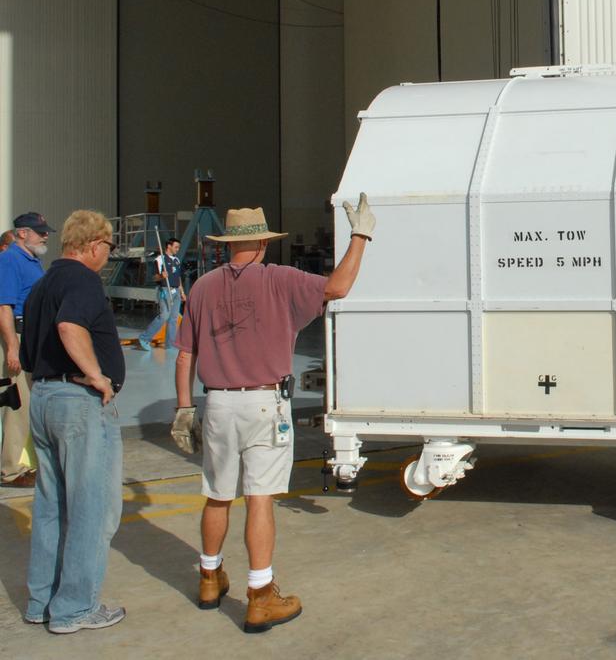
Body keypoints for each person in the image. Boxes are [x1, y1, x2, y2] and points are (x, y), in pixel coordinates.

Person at [171, 197, 373, 634]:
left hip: (217, 403)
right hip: (264, 402)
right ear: (263, 243)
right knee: (259, 497)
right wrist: (360, 236)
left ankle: (209, 578)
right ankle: (260, 595)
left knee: (217, 494)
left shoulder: (202, 287)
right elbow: (338, 287)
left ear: (227, 244)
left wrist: (184, 408)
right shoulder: (280, 279)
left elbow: (185, 355)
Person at [20, 210, 126, 633]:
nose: (108, 255)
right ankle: (75, 608)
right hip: (78, 403)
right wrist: (97, 375)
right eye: (108, 247)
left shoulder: (43, 284)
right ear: (94, 245)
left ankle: (42, 602)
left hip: (45, 397)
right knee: (92, 508)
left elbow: (30, 353)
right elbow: (69, 326)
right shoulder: (83, 280)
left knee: (51, 505)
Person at [1, 212, 54, 488]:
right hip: (20, 337)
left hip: (34, 337)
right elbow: (4, 307)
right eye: (40, 231)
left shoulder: (32, 260)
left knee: (33, 402)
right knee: (18, 403)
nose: (45, 236)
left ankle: (30, 462)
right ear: (22, 233)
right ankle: (12, 469)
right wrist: (12, 348)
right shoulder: (10, 260)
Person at [138, 237, 185, 352]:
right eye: (176, 247)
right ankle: (144, 337)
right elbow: (154, 277)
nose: (178, 249)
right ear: (169, 246)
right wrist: (161, 276)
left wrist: (182, 292)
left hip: (176, 291)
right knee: (164, 316)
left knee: (173, 319)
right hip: (165, 290)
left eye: (178, 247)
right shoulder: (160, 260)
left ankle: (170, 344)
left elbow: (178, 277)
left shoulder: (177, 260)